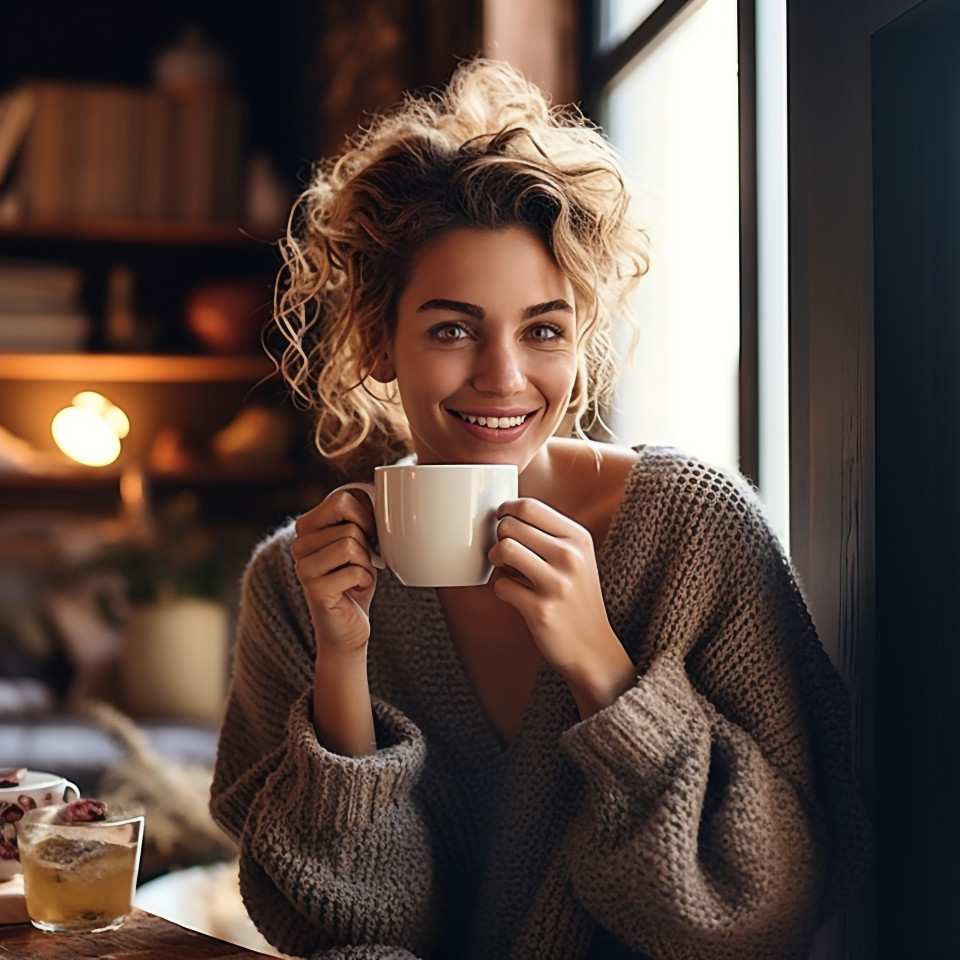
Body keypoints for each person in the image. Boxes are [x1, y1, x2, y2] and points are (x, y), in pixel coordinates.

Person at [210, 59, 871, 960]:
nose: (503, 377)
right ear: (376, 341)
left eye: (543, 330)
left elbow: (765, 909)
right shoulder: (294, 584)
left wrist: (601, 663)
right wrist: (342, 666)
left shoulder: (688, 529)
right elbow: (346, 934)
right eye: (452, 328)